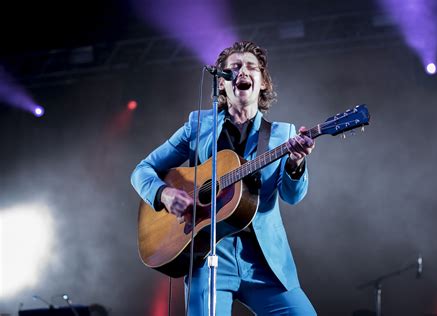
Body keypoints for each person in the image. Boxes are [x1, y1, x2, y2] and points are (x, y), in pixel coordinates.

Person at [131, 41, 317, 315]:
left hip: (264, 262)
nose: (243, 72)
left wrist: (296, 163)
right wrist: (164, 194)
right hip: (208, 256)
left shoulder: (282, 134)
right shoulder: (198, 126)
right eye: (235, 67)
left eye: (251, 67)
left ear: (263, 82)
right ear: (221, 83)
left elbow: (292, 196)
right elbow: (142, 170)